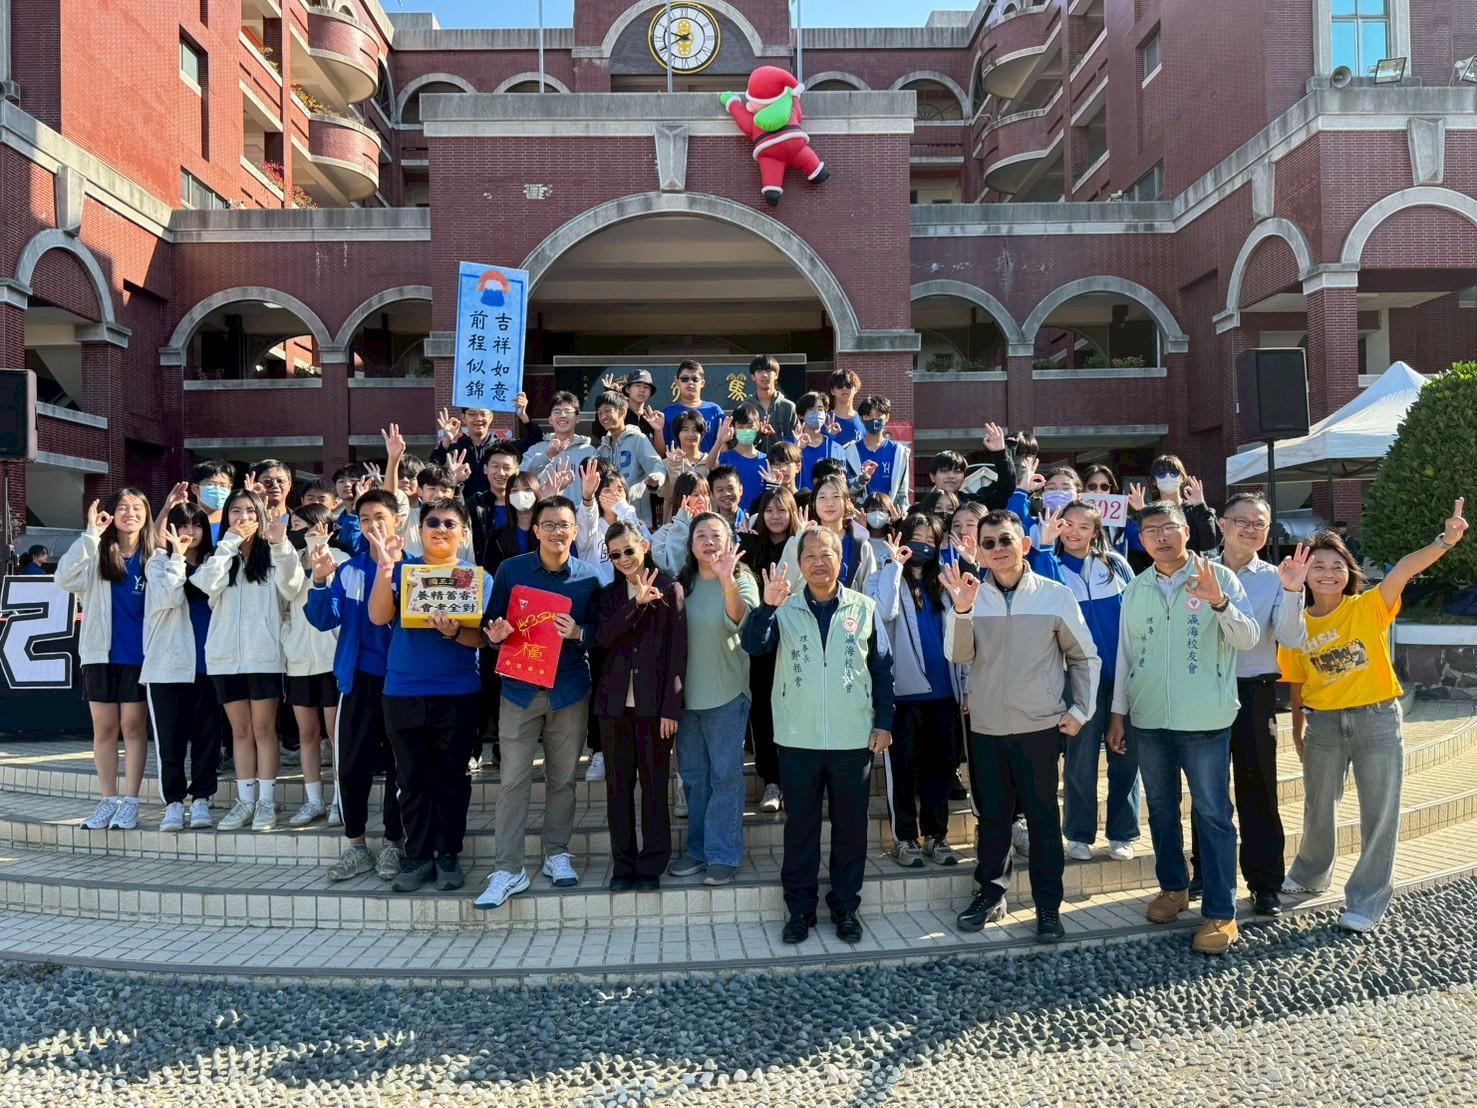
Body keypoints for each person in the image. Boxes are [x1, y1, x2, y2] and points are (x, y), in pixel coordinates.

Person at [1281, 501, 1468, 932]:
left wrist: (1445, 542)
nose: (1328, 573)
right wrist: (1297, 731)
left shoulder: (1368, 606)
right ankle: (1310, 874)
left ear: (1349, 572)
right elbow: (1296, 683)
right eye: (1318, 566)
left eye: (1337, 566)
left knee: (1380, 812)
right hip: (1323, 724)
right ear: (1303, 574)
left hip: (1377, 720)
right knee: (1317, 806)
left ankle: (1366, 900)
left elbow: (1402, 570)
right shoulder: (1295, 625)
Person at [1105, 501, 1261, 955]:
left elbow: (1248, 638)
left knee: (1212, 813)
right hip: (1149, 718)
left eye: (1169, 527)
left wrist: (1219, 602)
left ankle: (1221, 911)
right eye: (1151, 530)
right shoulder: (1136, 589)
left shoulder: (1220, 578)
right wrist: (1117, 713)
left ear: (1186, 532)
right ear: (1141, 540)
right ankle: (1174, 888)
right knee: (1160, 807)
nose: (1161, 536)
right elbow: (1126, 655)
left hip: (1205, 720)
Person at [940, 510, 1099, 943]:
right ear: (979, 551)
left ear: (1024, 545)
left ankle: (1048, 906)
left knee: (1044, 822)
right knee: (994, 819)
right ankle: (990, 893)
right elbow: (958, 656)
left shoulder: (1054, 595)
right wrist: (962, 611)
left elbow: (1084, 656)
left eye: (1006, 540)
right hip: (987, 729)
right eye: (988, 543)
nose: (998, 549)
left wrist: (1080, 711)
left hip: (1039, 729)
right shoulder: (969, 595)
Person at [742, 527, 895, 945]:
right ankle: (799, 911)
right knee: (801, 829)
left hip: (852, 739)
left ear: (840, 561)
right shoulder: (784, 608)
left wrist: (884, 721)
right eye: (809, 556)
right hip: (798, 738)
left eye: (826, 554)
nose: (818, 562)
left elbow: (882, 669)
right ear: (800, 564)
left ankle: (846, 908)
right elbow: (754, 646)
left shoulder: (864, 607)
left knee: (851, 830)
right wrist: (766, 608)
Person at [1182, 493, 1310, 913]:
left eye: (1259, 524)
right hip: (1203, 690)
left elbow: (1291, 638)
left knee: (1259, 788)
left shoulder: (1277, 577)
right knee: (1207, 789)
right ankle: (1205, 874)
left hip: (1253, 691)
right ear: (1222, 524)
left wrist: (1292, 591)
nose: (1250, 529)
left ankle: (1265, 882)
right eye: (1242, 521)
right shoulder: (1195, 570)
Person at [476, 495, 603, 909]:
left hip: (569, 690)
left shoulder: (589, 578)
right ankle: (507, 868)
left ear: (575, 531)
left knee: (562, 779)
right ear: (535, 530)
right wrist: (494, 634)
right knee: (513, 781)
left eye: (564, 525)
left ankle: (556, 853)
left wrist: (579, 632)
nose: (556, 532)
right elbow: (490, 624)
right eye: (548, 525)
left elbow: (602, 630)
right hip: (520, 690)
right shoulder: (511, 571)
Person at [367, 498, 489, 893]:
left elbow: (482, 639)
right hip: (403, 691)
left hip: (458, 692)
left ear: (464, 534)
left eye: (450, 523)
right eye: (432, 522)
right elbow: (378, 617)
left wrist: (454, 632)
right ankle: (417, 856)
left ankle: (448, 854)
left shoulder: (476, 578)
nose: (440, 529)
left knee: (452, 780)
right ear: (419, 531)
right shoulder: (402, 571)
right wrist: (385, 568)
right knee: (411, 780)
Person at [306, 488, 408, 883]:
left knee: (401, 767)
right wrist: (318, 581)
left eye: (380, 517)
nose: (372, 525)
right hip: (357, 680)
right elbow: (323, 619)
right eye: (365, 519)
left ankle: (395, 843)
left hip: (401, 683)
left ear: (397, 521)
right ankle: (357, 846)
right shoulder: (348, 570)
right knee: (351, 765)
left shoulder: (413, 570)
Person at [1031, 501, 1139, 863]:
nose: (1074, 532)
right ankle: (1078, 833)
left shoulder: (1115, 565)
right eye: (1068, 525)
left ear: (1096, 532)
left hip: (1123, 676)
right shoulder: (1050, 564)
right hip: (1077, 679)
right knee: (1080, 759)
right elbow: (1042, 598)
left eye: (1084, 526)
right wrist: (1044, 546)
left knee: (1126, 756)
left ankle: (1122, 833)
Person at [193, 487, 301, 832]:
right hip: (225, 658)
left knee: (264, 730)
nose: (243, 518)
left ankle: (266, 802)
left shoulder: (275, 553)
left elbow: (293, 587)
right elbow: (203, 584)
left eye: (251, 512)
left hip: (264, 657)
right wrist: (227, 545)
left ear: (262, 516)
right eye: (236, 511)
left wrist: (281, 544)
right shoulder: (220, 555)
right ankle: (245, 801)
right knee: (240, 731)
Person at [667, 513, 760, 886]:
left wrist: (725, 579)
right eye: (700, 535)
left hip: (727, 696)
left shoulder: (741, 579)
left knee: (725, 778)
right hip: (687, 700)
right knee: (694, 779)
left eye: (716, 535)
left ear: (729, 542)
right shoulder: (682, 584)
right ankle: (698, 849)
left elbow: (739, 620)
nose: (708, 541)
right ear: (691, 545)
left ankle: (723, 853)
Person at [594, 521, 686, 891]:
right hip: (613, 708)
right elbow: (603, 637)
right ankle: (623, 866)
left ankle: (651, 867)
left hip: (653, 709)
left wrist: (671, 709)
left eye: (629, 551)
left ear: (644, 547)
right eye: (615, 555)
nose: (623, 559)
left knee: (654, 788)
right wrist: (635, 603)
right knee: (618, 790)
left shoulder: (671, 588)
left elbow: (678, 653)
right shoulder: (609, 595)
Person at [866, 513, 962, 868]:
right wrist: (894, 566)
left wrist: (965, 686)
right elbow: (882, 614)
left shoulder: (945, 580)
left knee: (940, 769)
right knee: (903, 770)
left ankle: (936, 835)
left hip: (945, 694)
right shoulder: (881, 576)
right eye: (915, 538)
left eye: (930, 541)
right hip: (904, 695)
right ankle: (904, 838)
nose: (922, 546)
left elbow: (964, 628)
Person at [57, 490, 156, 831]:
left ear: (147, 514)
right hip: (99, 655)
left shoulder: (154, 556)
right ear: (111, 515)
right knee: (104, 729)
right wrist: (90, 535)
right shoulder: (97, 553)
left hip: (139, 657)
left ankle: (131, 801)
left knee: (133, 727)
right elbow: (64, 578)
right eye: (123, 507)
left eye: (137, 507)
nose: (130, 513)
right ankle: (108, 799)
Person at [142, 503, 222, 831]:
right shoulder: (158, 562)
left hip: (210, 664)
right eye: (183, 525)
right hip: (168, 665)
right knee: (170, 741)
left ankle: (202, 798)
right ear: (170, 530)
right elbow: (168, 598)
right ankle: (174, 803)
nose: (190, 532)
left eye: (196, 525)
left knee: (208, 738)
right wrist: (177, 557)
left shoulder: (215, 562)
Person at [280, 503, 346, 827]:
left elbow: (337, 597)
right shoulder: (289, 560)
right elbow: (287, 594)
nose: (297, 532)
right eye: (293, 527)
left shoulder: (341, 558)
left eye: (302, 526)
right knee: (307, 733)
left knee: (335, 735)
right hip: (299, 662)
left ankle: (339, 800)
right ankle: (314, 800)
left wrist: (321, 551)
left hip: (332, 659)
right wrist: (287, 639)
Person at [739, 487, 804, 813]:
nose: (775, 516)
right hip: (761, 642)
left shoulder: (803, 546)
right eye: (769, 510)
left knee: (796, 710)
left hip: (796, 640)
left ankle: (797, 780)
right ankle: (771, 781)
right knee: (764, 713)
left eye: (782, 510)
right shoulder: (749, 547)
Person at [778, 473, 878, 592]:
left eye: (836, 496)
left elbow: (870, 591)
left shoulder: (860, 545)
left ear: (847, 502)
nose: (829, 503)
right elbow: (784, 584)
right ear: (814, 503)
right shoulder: (801, 541)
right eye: (822, 497)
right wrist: (798, 541)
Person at [1125, 454, 1218, 565]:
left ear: (1182, 478)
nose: (1168, 477)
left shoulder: (1194, 510)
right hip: (1157, 571)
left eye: (1174, 473)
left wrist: (1200, 506)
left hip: (1191, 570)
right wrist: (1141, 513)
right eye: (1161, 474)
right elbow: (1140, 546)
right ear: (1154, 481)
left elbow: (1210, 542)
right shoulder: (1149, 512)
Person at [594, 390, 666, 526]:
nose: (603, 417)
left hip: (637, 519)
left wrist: (656, 479)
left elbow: (656, 466)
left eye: (608, 411)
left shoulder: (638, 439)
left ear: (622, 411)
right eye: (600, 413)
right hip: (610, 523)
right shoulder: (601, 450)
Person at [844, 395, 912, 511]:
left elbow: (902, 492)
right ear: (861, 419)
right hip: (860, 516)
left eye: (879, 415)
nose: (874, 420)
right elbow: (844, 489)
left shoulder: (898, 451)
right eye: (868, 416)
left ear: (887, 417)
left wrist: (900, 516)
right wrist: (862, 478)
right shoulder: (849, 451)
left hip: (890, 516)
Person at [520, 392, 598, 480]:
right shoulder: (535, 450)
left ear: (577, 418)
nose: (562, 415)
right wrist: (547, 455)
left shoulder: (589, 452)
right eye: (557, 411)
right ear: (550, 419)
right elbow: (522, 478)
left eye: (567, 411)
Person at [431, 406, 500, 502]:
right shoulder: (455, 449)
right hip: (461, 507)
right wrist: (447, 439)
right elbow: (431, 474)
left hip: (496, 506)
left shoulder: (501, 447)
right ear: (463, 418)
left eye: (483, 414)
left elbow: (523, 444)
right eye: (472, 414)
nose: (478, 418)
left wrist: (521, 416)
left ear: (491, 417)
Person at [651, 472, 711, 576]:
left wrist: (708, 522)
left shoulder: (718, 527)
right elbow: (672, 569)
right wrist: (682, 523)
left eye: (706, 494)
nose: (702, 500)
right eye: (695, 494)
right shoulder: (663, 533)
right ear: (681, 498)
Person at [710, 406, 768, 514]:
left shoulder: (766, 460)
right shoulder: (725, 457)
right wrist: (720, 440)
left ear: (758, 426)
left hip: (758, 518)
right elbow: (710, 465)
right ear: (733, 429)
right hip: (732, 516)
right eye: (741, 427)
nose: (746, 431)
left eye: (750, 426)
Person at [661, 359, 726, 454]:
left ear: (702, 383)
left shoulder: (714, 411)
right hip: (676, 463)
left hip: (708, 463)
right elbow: (660, 452)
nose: (690, 383)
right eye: (685, 379)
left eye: (695, 379)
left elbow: (724, 447)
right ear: (677, 381)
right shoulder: (667, 413)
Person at [660, 410, 712, 520]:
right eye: (685, 430)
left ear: (702, 435)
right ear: (677, 434)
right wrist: (674, 466)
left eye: (695, 430)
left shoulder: (711, 463)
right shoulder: (667, 463)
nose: (690, 434)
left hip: (705, 523)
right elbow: (669, 495)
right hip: (675, 525)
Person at [793, 391, 846, 491]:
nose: (817, 413)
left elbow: (842, 481)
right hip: (799, 498)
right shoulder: (791, 445)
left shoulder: (836, 448)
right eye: (811, 409)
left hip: (827, 498)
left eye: (821, 409)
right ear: (801, 415)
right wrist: (796, 449)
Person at [748, 354, 796, 452]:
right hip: (753, 460)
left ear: (776, 375)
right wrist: (758, 435)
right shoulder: (746, 407)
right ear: (753, 377)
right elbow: (739, 444)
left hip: (782, 460)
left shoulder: (788, 407)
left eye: (769, 371)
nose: (764, 375)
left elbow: (794, 440)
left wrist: (776, 437)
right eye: (759, 371)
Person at [191, 460, 236, 541]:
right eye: (211, 484)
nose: (218, 489)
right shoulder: (186, 522)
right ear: (195, 488)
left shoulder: (234, 522)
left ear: (230, 490)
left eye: (223, 485)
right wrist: (167, 509)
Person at [618, 369, 665, 444]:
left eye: (646, 387)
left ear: (650, 393)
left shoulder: (652, 418)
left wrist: (658, 431)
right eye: (638, 385)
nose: (642, 390)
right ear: (627, 389)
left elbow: (659, 451)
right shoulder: (619, 414)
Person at [825, 368, 865, 447]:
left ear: (856, 389)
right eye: (840, 386)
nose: (844, 388)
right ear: (832, 391)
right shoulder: (825, 420)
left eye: (848, 385)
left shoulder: (864, 420)